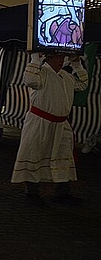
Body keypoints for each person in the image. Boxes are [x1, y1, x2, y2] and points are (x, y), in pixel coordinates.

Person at [11, 52, 88, 206]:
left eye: (62, 57)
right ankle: (32, 192)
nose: (61, 60)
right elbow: (30, 81)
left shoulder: (66, 76)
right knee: (35, 154)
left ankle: (62, 192)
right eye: (57, 57)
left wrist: (77, 65)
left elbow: (83, 84)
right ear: (49, 58)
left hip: (61, 125)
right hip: (39, 123)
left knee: (63, 156)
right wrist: (35, 60)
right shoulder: (40, 72)